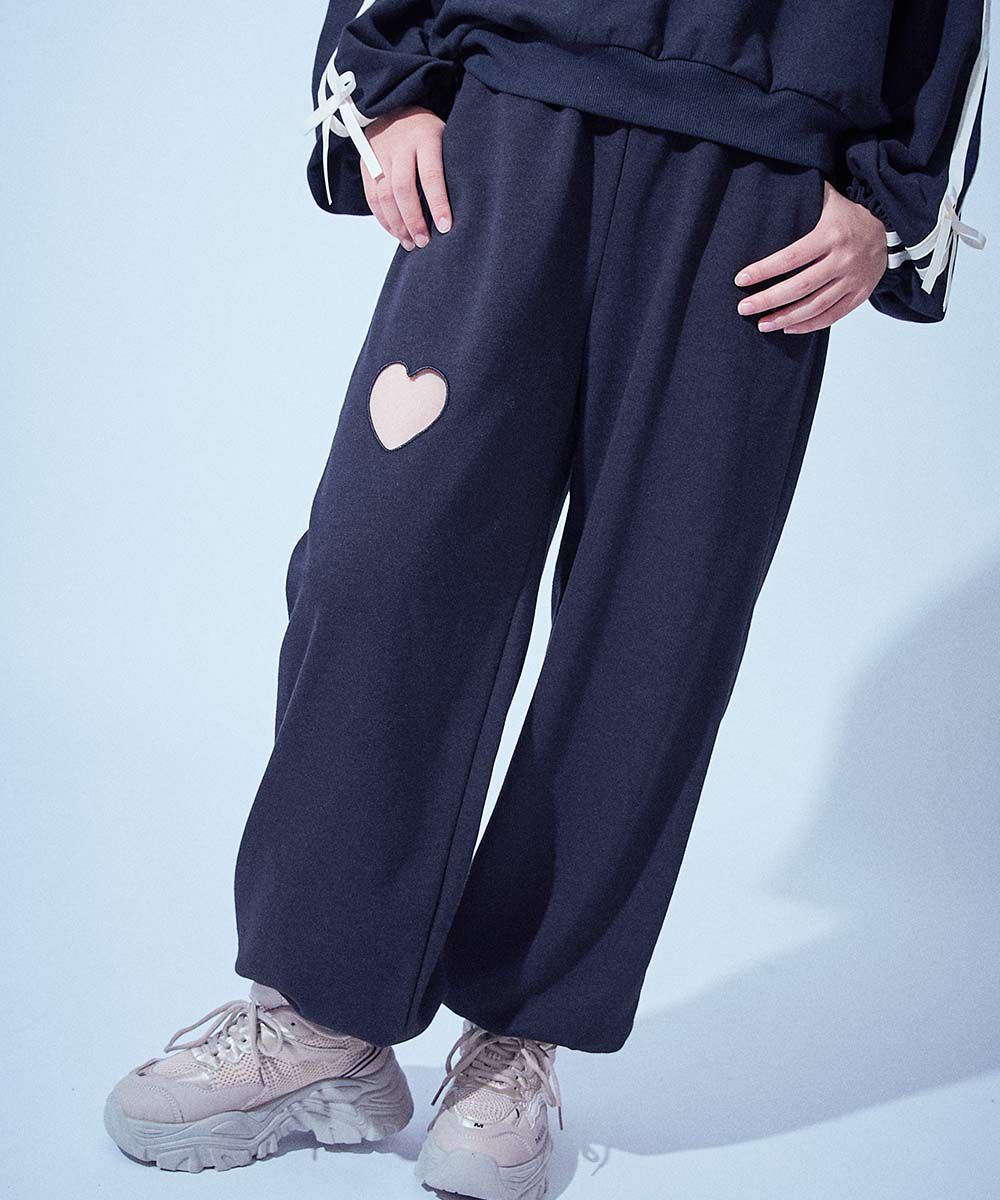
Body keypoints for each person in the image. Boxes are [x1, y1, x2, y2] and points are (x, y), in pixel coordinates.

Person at [104, 0, 988, 1195]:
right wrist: (386, 83)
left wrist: (891, 197)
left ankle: (518, 1040)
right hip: (509, 123)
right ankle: (318, 1017)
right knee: (380, 567)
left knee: (654, 627)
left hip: (761, 188)